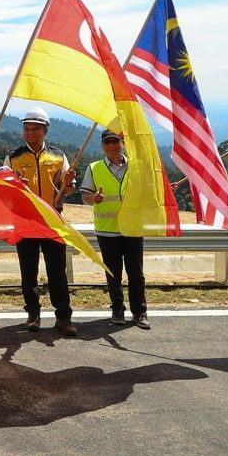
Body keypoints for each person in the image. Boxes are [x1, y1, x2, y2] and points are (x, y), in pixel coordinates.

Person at [7, 107, 78, 335]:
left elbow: (68, 191)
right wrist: (16, 185)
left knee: (57, 271)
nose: (31, 133)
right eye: (27, 129)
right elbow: (6, 193)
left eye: (36, 129)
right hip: (26, 221)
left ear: (46, 130)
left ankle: (63, 318)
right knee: (28, 272)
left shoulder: (58, 156)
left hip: (52, 220)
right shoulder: (13, 157)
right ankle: (33, 314)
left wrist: (68, 182)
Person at [81, 130, 150, 329]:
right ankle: (117, 310)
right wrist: (94, 199)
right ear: (103, 146)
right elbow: (85, 196)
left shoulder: (136, 167)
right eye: (107, 142)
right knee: (113, 274)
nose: (112, 145)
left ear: (123, 143)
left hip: (133, 229)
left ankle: (140, 312)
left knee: (136, 273)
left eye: (115, 141)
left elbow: (147, 191)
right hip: (107, 231)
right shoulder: (94, 168)